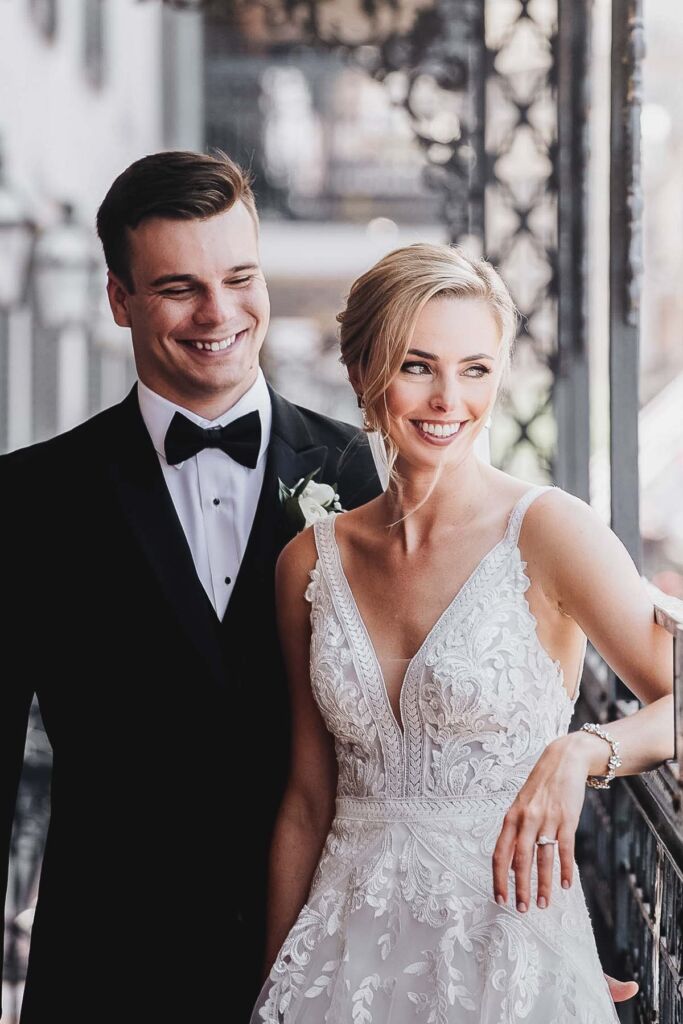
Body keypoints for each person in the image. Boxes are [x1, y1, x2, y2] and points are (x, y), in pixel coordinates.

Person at [0, 151, 383, 1022]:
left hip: (330, 961)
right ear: (119, 299)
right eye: (179, 288)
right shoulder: (30, 498)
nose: (218, 313)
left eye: (239, 278)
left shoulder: (365, 478)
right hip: (107, 968)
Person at [252, 243, 672, 1022]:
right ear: (361, 370)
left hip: (507, 957)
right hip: (340, 966)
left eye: (474, 369)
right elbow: (308, 800)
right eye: (417, 366)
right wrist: (272, 989)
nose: (449, 398)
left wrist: (582, 751)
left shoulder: (549, 530)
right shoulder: (307, 563)